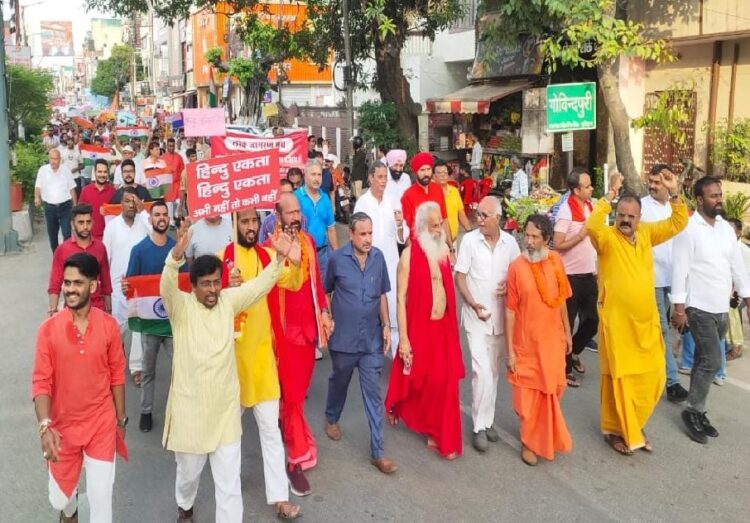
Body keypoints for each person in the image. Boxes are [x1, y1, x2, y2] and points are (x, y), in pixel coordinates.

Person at [161, 221, 297, 523]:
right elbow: (167, 287)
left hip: (224, 413)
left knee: (229, 486)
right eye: (205, 284)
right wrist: (175, 258)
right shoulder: (180, 308)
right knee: (188, 475)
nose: (212, 289)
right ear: (193, 286)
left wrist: (278, 260)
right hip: (191, 413)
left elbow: (259, 286)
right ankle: (185, 506)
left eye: (215, 282)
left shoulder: (227, 302)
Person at [586, 172, 687, 455]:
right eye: (622, 215)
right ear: (616, 215)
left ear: (639, 218)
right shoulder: (606, 238)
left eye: (631, 216)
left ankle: (634, 423)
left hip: (645, 323)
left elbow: (678, 222)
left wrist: (674, 193)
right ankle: (616, 430)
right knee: (618, 379)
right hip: (616, 325)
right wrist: (608, 197)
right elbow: (592, 227)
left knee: (653, 375)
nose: (626, 220)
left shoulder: (646, 234)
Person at [219, 208, 303, 520]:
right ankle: (225, 492)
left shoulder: (269, 255)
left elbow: (292, 283)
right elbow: (205, 299)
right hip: (231, 360)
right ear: (235, 224)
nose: (251, 226)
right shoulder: (222, 256)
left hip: (263, 358)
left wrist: (292, 258)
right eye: (245, 221)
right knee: (229, 436)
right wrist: (226, 284)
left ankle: (279, 497)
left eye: (255, 221)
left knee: (270, 430)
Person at [33, 252, 127, 523]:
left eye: (78, 283)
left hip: (100, 424)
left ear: (94, 286)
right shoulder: (48, 330)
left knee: (101, 499)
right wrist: (45, 426)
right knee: (59, 498)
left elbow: (117, 376)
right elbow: (41, 381)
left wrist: (121, 418)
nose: (70, 289)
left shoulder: (109, 326)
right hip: (62, 428)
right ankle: (69, 508)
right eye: (67, 283)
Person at [671, 176, 750, 445]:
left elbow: (737, 266)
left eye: (720, 194)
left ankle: (698, 409)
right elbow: (679, 270)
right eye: (713, 196)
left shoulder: (726, 230)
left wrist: (748, 299)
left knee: (704, 361)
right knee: (713, 362)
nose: (719, 199)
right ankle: (693, 411)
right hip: (698, 306)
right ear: (700, 200)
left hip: (721, 308)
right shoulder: (688, 229)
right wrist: (679, 309)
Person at [385, 202, 465, 459]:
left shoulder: (442, 251)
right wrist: (404, 340)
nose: (440, 228)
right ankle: (408, 410)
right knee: (423, 381)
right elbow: (400, 299)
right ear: (421, 227)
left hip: (443, 328)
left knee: (446, 381)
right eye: (434, 226)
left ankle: (441, 435)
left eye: (440, 223)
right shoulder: (408, 256)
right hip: (421, 328)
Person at [266, 193, 332, 496]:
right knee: (292, 395)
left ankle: (285, 426)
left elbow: (316, 281)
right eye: (289, 212)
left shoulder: (306, 240)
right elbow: (281, 282)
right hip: (284, 333)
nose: (295, 217)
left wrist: (324, 312)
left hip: (308, 332)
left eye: (297, 212)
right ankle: (293, 457)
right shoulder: (271, 246)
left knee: (298, 393)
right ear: (278, 215)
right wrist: (285, 255)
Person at [323, 213, 398, 474]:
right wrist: (326, 315)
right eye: (362, 234)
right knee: (339, 381)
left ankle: (378, 452)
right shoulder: (336, 260)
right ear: (351, 235)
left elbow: (381, 295)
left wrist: (387, 325)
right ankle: (332, 417)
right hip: (343, 339)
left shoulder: (378, 258)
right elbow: (326, 291)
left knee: (373, 394)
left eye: (370, 233)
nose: (368, 239)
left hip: (371, 340)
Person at [505, 215, 573, 466]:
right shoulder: (516, 267)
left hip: (552, 340)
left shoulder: (555, 261)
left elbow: (563, 299)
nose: (529, 241)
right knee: (527, 396)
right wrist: (510, 351)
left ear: (546, 240)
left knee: (554, 389)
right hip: (526, 343)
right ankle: (529, 441)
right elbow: (510, 310)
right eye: (527, 235)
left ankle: (542, 434)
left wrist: (567, 333)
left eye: (535, 237)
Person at [455, 196, 520, 453]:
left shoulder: (511, 244)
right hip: (476, 317)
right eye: (477, 214)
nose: (478, 219)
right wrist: (471, 303)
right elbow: (460, 278)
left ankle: (488, 420)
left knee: (492, 373)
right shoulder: (470, 241)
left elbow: (518, 274)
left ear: (497, 219)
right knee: (480, 372)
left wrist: (510, 285)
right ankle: (478, 427)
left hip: (501, 318)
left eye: (484, 216)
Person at [124, 200, 187, 433]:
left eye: (164, 215)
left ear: (169, 219)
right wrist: (125, 288)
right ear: (150, 219)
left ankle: (179, 412)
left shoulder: (176, 248)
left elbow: (185, 282)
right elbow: (131, 284)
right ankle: (146, 411)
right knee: (148, 370)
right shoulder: (138, 250)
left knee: (179, 369)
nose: (161, 218)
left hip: (173, 323)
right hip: (150, 324)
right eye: (157, 214)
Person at [640, 164, 689, 402]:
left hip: (677, 280)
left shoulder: (676, 208)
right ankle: (672, 381)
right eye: (650, 181)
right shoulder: (641, 208)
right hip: (654, 279)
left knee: (674, 327)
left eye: (658, 182)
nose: (652, 185)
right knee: (661, 330)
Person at [354, 162, 408, 353]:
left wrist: (401, 225)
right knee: (369, 308)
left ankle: (396, 355)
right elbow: (357, 235)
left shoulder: (393, 201)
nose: (383, 181)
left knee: (393, 309)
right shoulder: (363, 203)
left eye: (385, 177)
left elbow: (403, 236)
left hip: (392, 262)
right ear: (370, 178)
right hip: (368, 263)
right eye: (380, 177)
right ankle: (369, 352)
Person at [552, 167, 598, 388]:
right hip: (569, 277)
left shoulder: (589, 206)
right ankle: (564, 368)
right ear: (576, 190)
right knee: (567, 325)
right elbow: (558, 245)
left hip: (589, 274)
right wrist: (580, 236)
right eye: (587, 186)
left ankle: (576, 351)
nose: (591, 188)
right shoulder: (566, 212)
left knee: (593, 321)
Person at [103, 187, 150, 385]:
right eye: (127, 201)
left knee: (138, 327)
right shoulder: (112, 227)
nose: (131, 204)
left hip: (140, 287)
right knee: (117, 329)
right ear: (120, 204)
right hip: (117, 286)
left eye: (134, 201)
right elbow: (105, 258)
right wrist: (105, 288)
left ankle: (136, 367)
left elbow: (157, 233)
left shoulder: (144, 222)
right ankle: (111, 361)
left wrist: (144, 212)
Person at [48, 203, 112, 316]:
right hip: (72, 310)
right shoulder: (62, 250)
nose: (85, 226)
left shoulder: (100, 247)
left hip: (98, 309)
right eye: (81, 222)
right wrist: (53, 311)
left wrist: (109, 311)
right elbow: (55, 284)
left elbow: (106, 283)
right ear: (73, 225)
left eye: (88, 222)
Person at [400, 152, 454, 254]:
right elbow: (406, 229)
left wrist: (451, 248)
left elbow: (445, 219)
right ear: (416, 172)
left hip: (439, 247)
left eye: (428, 169)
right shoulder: (408, 195)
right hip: (418, 249)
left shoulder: (437, 190)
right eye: (422, 170)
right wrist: (413, 253)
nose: (426, 174)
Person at [294, 160, 339, 284]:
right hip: (301, 254)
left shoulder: (325, 199)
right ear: (305, 175)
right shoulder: (296, 197)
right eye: (313, 174)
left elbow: (331, 229)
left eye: (319, 175)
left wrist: (337, 254)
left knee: (325, 290)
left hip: (322, 254)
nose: (316, 178)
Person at [35, 148, 77, 251]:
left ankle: (67, 258)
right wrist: (37, 197)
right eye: (51, 158)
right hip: (49, 208)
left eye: (56, 159)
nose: (53, 161)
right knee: (53, 236)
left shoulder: (66, 170)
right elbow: (38, 186)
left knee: (67, 233)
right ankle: (56, 258)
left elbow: (72, 189)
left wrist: (75, 206)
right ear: (49, 159)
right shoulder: (43, 170)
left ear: (60, 159)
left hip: (65, 207)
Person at [259, 179, 308, 243]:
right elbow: (261, 246)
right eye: (283, 193)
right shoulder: (268, 222)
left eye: (290, 192)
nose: (296, 217)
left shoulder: (303, 219)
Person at [78, 159, 116, 240]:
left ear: (108, 173)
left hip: (108, 237)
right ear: (94, 172)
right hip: (89, 237)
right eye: (99, 171)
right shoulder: (85, 191)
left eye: (105, 172)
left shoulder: (114, 192)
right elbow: (79, 215)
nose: (102, 174)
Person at [434, 161, 471, 242]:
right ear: (434, 176)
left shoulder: (454, 191)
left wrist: (469, 231)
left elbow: (461, 213)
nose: (442, 175)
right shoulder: (431, 194)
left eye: (445, 172)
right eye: (439, 172)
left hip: (453, 239)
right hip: (437, 242)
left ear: (448, 174)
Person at [727, 218, 746, 361]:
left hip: (740, 290)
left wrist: (739, 293)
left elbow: (743, 274)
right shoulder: (727, 246)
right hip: (729, 289)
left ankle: (737, 347)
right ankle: (730, 345)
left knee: (733, 315)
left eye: (732, 230)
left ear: (739, 232)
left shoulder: (743, 250)